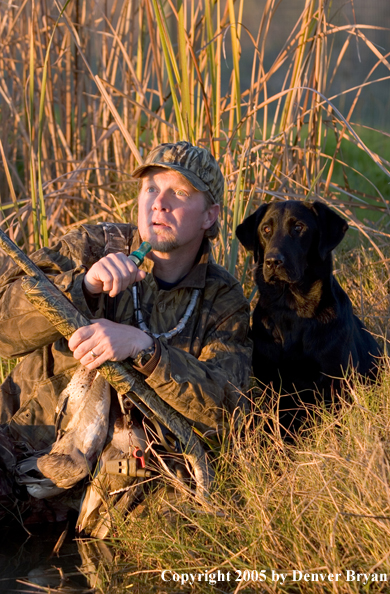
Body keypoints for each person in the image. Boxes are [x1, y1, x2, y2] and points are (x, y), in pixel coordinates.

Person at [0, 141, 252, 522]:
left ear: (209, 216)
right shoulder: (93, 246)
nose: (159, 203)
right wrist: (82, 286)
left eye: (179, 192)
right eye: (151, 188)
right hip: (20, 450)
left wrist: (146, 349)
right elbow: (3, 330)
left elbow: (228, 411)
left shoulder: (223, 299)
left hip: (115, 501)